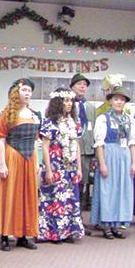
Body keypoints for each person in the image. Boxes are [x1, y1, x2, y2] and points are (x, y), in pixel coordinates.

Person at [0, 78, 40, 251]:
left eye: (29, 91)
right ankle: (4, 235)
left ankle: (23, 235)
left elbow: (35, 141)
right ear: (16, 92)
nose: (27, 93)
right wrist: (2, 164)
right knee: (9, 195)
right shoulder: (7, 113)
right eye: (24, 90)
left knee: (27, 196)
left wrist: (37, 162)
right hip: (13, 156)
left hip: (29, 158)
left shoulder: (35, 114)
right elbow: (1, 140)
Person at [37, 87, 85, 243]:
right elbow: (44, 147)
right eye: (65, 100)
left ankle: (69, 231)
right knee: (54, 199)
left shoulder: (74, 122)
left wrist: (79, 167)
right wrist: (49, 170)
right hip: (55, 165)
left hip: (70, 167)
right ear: (58, 102)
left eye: (71, 100)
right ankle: (53, 232)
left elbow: (77, 145)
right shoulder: (50, 122)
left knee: (70, 199)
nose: (69, 103)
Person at [91, 86, 135, 239]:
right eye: (116, 99)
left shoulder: (129, 119)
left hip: (124, 157)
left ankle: (117, 224)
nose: (119, 102)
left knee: (122, 190)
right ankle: (107, 225)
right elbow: (99, 143)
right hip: (109, 156)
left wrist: (133, 162)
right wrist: (102, 163)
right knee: (108, 190)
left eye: (122, 100)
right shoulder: (103, 119)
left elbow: (132, 142)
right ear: (110, 101)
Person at [70, 73, 97, 229]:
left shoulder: (90, 108)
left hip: (87, 152)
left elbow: (92, 130)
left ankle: (80, 218)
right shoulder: (67, 104)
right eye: (79, 84)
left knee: (84, 185)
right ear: (72, 86)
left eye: (85, 85)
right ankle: (71, 216)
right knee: (73, 185)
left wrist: (93, 151)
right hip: (72, 151)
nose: (82, 87)